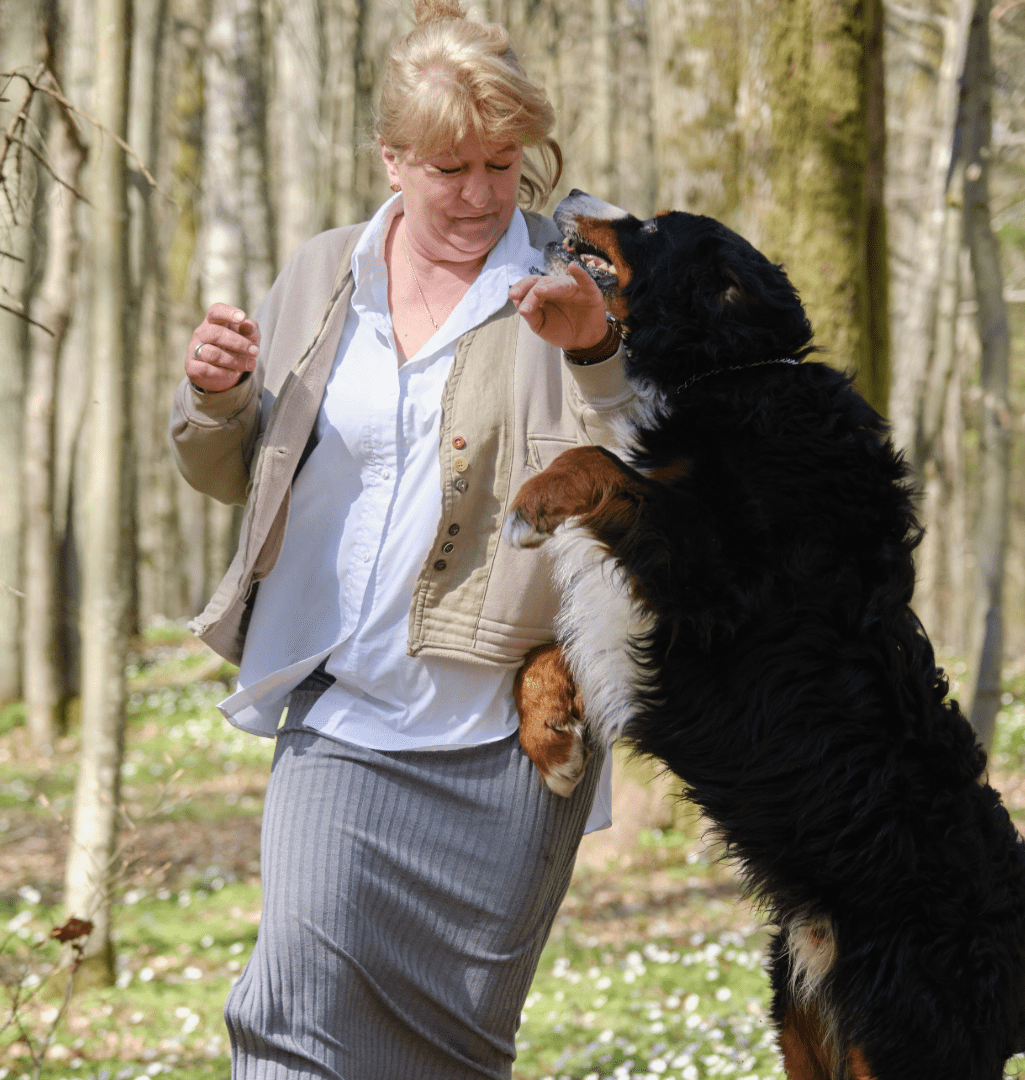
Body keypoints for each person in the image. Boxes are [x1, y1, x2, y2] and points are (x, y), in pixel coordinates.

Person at [169, 1, 634, 1077]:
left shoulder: (588, 271)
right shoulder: (324, 274)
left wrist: (598, 350)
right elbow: (231, 470)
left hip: (509, 752)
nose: (478, 196)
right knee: (286, 1020)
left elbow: (658, 469)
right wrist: (216, 395)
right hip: (343, 726)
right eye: (446, 168)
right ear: (390, 158)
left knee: (452, 1056)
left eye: (500, 164)